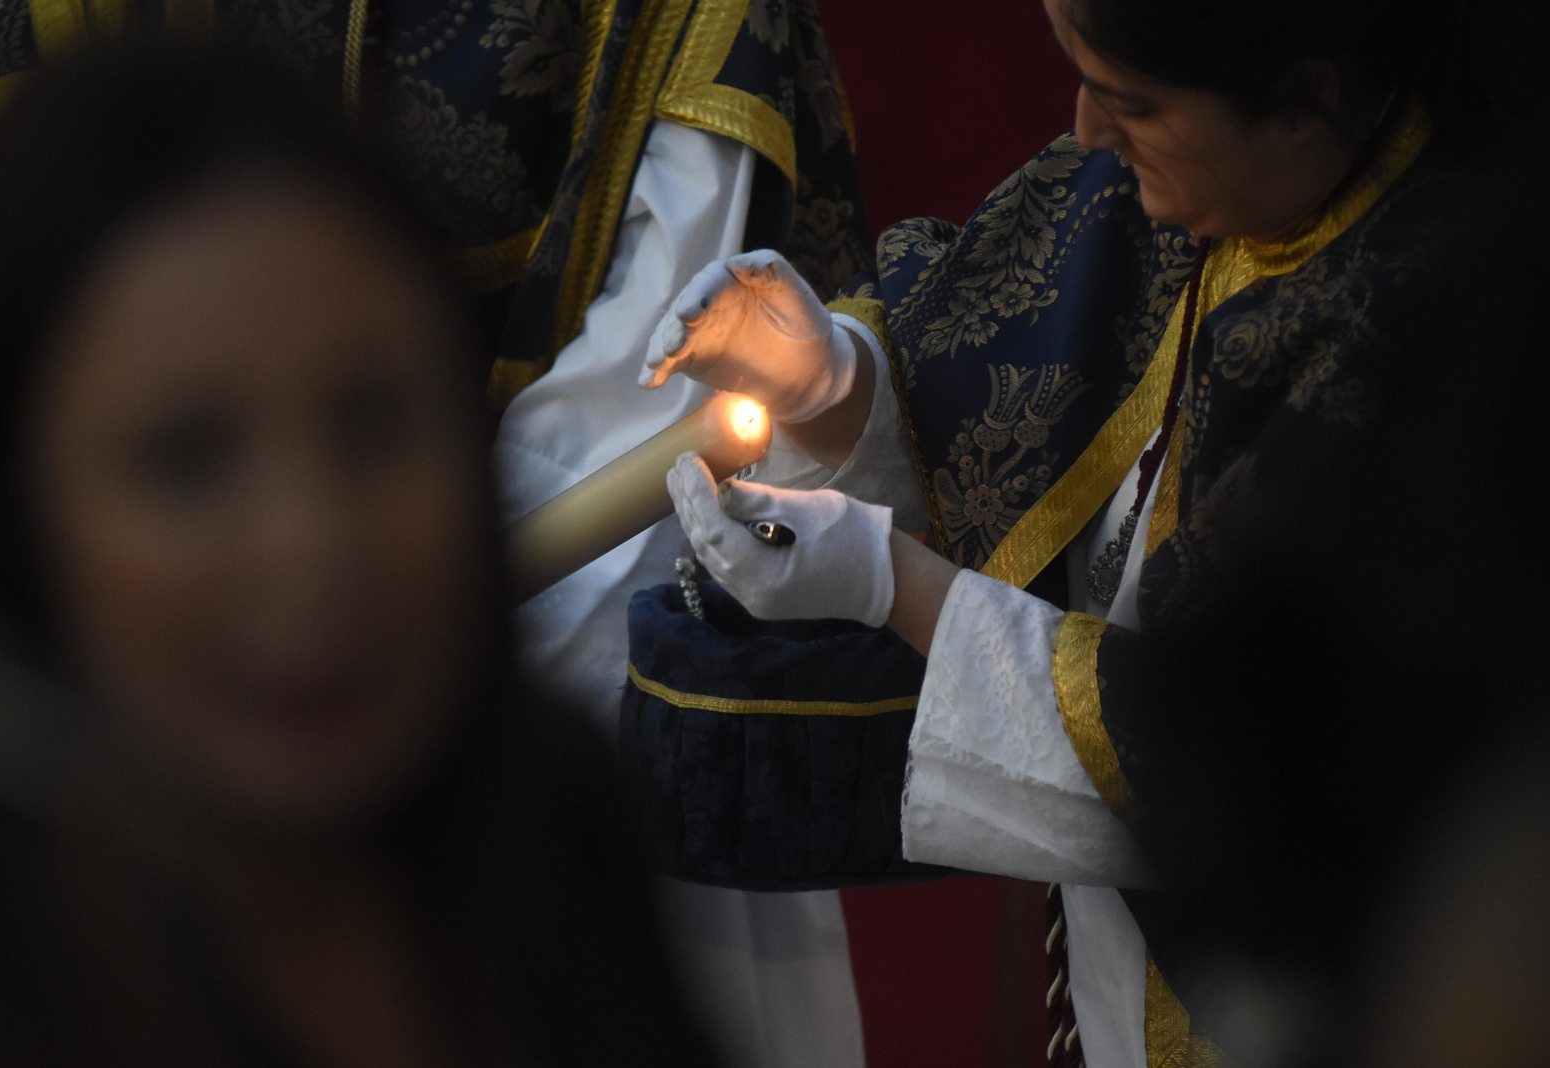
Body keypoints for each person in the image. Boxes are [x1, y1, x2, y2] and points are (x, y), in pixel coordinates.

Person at [0, 3, 877, 1062]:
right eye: (187, 459)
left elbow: (658, 384)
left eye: (375, 422)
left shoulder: (566, 850)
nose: (313, 552)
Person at [635, 0, 1550, 1065]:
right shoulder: (1148, 188)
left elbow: (1240, 762)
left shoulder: (1460, 353)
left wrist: (895, 584)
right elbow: (981, 429)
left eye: (1127, 101)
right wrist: (827, 383)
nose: (1082, 132)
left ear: (1308, 100)